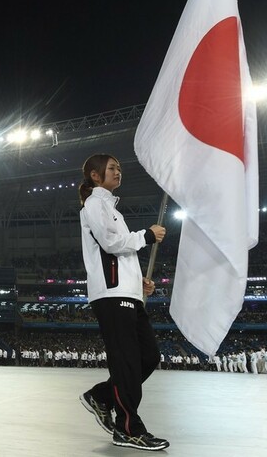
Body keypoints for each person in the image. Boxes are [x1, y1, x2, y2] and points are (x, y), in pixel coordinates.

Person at [76, 153, 169, 451]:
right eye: (112, 168)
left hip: (126, 293)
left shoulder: (112, 208)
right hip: (111, 296)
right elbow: (110, 243)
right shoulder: (94, 204)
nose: (118, 172)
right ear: (95, 174)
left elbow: (118, 254)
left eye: (119, 168)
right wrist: (147, 236)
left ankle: (102, 396)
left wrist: (138, 282)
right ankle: (128, 428)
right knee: (127, 362)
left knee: (148, 357)